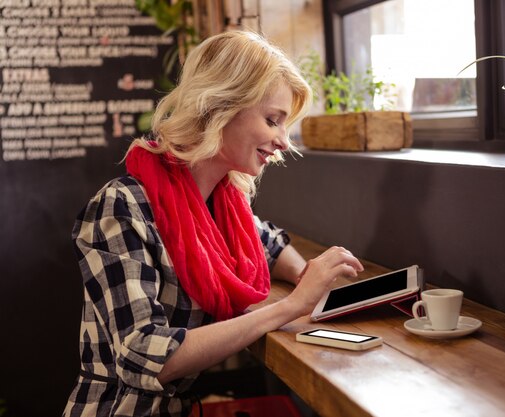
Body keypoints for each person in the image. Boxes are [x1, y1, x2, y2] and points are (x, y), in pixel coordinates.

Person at [63, 30, 364, 417]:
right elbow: (146, 355)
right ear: (220, 105)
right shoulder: (121, 206)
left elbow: (268, 242)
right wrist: (292, 305)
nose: (283, 141)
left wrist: (306, 273)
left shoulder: (221, 204)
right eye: (273, 120)